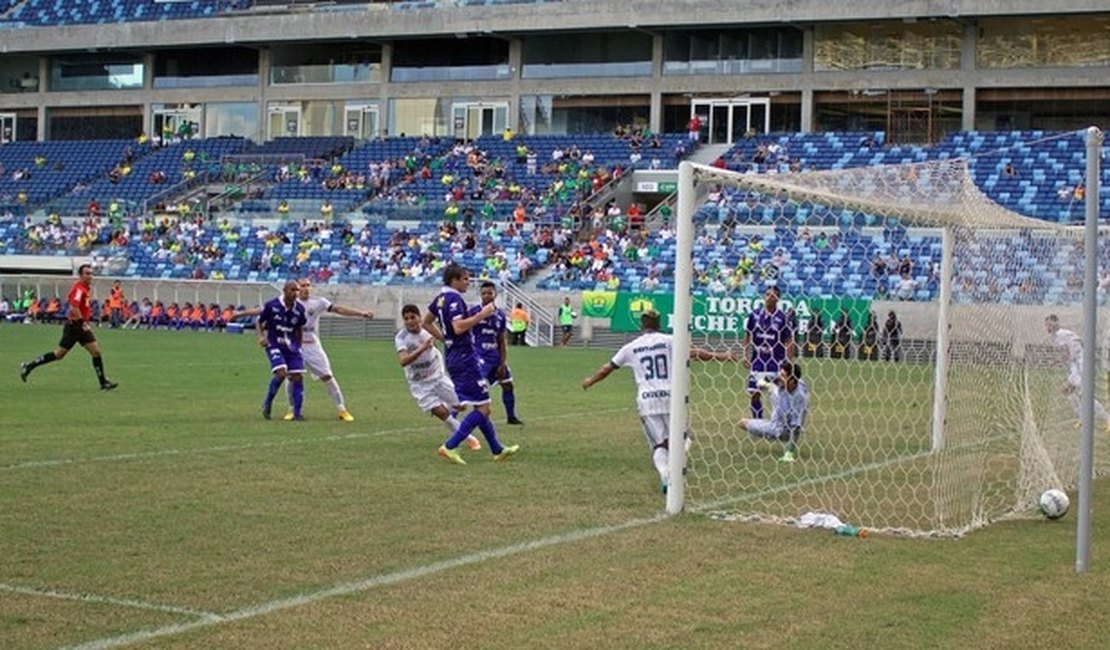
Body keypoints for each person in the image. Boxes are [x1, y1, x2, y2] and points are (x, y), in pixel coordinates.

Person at [582, 309, 737, 492]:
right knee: (684, 437)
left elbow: (607, 368)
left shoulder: (630, 347)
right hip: (673, 397)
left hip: (647, 401)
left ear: (641, 325)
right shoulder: (670, 341)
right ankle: (675, 466)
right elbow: (696, 353)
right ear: (659, 324)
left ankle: (665, 473)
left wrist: (590, 381)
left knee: (659, 444)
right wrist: (722, 356)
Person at [234, 279, 373, 421]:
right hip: (290, 342)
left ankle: (341, 409)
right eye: (302, 286)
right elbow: (262, 311)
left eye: (308, 285)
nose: (305, 289)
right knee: (291, 376)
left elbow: (338, 309)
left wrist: (361, 313)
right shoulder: (286, 302)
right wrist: (240, 314)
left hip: (311, 343)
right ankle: (292, 410)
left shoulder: (318, 302)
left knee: (327, 375)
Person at [424, 264, 519, 465]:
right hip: (465, 357)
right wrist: (481, 315)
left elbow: (427, 322)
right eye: (466, 279)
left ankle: (497, 449)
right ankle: (450, 446)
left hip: (454, 354)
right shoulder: (454, 299)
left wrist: (444, 339)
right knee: (484, 409)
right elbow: (458, 327)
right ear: (455, 280)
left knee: (480, 405)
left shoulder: (440, 298)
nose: (468, 282)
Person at [396, 304, 482, 451]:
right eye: (406, 319)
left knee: (461, 406)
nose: (410, 321)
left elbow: (444, 339)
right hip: (419, 384)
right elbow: (403, 361)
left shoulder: (428, 328)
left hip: (437, 376)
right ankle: (470, 439)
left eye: (413, 317)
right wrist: (423, 347)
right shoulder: (401, 337)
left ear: (419, 317)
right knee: (442, 413)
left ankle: (445, 407)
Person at [20, 264, 118, 391]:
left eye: (91, 273)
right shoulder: (78, 289)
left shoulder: (85, 288)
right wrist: (83, 323)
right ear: (81, 275)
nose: (90, 276)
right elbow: (74, 307)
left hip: (81, 327)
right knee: (59, 354)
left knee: (96, 352)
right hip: (75, 326)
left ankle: (103, 383)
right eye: (87, 273)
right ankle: (29, 366)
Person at [1044, 314, 1110, 430]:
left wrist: (1053, 363)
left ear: (1055, 324)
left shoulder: (1058, 336)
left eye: (1049, 324)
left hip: (1081, 367)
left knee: (1085, 396)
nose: (1047, 327)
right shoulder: (1065, 332)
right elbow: (1080, 341)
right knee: (1068, 391)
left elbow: (1066, 354)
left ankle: (1107, 419)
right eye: (1046, 325)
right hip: (1079, 365)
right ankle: (1083, 418)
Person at [471, 282, 523, 425]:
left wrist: (503, 362)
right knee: (477, 389)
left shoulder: (500, 315)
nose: (487, 296)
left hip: (495, 358)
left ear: (495, 294)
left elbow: (501, 340)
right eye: (484, 293)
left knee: (508, 385)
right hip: (480, 358)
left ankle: (511, 416)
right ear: (480, 295)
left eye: (490, 293)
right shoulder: (474, 312)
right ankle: (457, 417)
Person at [256, 280, 308, 420]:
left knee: (297, 376)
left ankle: (298, 413)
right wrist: (261, 337)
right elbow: (260, 322)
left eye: (297, 290)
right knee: (281, 373)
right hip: (274, 344)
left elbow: (299, 327)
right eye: (292, 290)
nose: (295, 293)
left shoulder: (299, 309)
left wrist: (300, 346)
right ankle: (268, 402)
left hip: (292, 346)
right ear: (284, 290)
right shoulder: (272, 305)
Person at [739, 360, 810, 462]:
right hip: (780, 405)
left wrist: (789, 452)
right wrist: (764, 382)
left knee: (742, 423)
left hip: (780, 429)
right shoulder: (793, 382)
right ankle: (767, 387)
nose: (779, 378)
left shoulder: (799, 398)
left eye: (783, 376)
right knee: (771, 388)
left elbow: (796, 429)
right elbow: (774, 376)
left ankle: (756, 431)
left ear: (792, 381)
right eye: (780, 374)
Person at [742, 286, 794, 419]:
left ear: (777, 299)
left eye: (772, 295)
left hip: (775, 362)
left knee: (777, 394)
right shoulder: (754, 315)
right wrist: (745, 355)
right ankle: (758, 422)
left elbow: (789, 341)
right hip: (758, 361)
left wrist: (789, 363)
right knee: (754, 393)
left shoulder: (782, 317)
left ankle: (780, 421)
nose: (769, 297)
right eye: (767, 294)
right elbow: (748, 336)